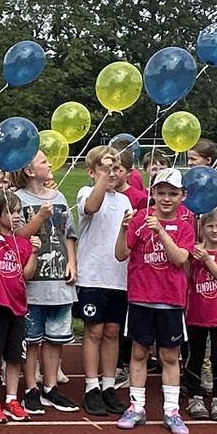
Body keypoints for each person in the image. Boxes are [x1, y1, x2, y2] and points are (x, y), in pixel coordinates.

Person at [113, 168, 194, 434]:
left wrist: (160, 230)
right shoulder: (140, 220)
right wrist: (124, 229)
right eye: (161, 193)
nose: (166, 199)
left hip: (170, 300)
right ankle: (137, 407)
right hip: (141, 297)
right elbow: (121, 254)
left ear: (182, 196)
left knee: (169, 355)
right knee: (138, 353)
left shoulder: (184, 226)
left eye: (172, 193)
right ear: (153, 194)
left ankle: (171, 410)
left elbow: (180, 258)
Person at [0, 185, 54, 424]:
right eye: (11, 211)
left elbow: (26, 274)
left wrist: (34, 254)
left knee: (14, 357)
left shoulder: (22, 242)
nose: (17, 215)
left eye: (19, 211)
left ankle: (11, 398)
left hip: (17, 307)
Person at [11, 153, 79, 413]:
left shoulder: (59, 198)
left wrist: (72, 261)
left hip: (59, 283)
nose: (49, 165)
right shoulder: (18, 199)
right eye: (43, 162)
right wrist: (38, 217)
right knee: (32, 338)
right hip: (32, 284)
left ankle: (51, 387)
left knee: (55, 339)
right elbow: (16, 236)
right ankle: (30, 388)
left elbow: (68, 234)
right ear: (29, 171)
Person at [74, 146, 131, 417]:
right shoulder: (86, 192)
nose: (111, 173)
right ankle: (91, 386)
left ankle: (109, 385)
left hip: (117, 277)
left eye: (115, 168)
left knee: (112, 332)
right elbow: (92, 207)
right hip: (93, 275)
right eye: (105, 168)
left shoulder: (124, 201)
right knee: (94, 331)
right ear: (92, 171)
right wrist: (102, 177)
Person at [184, 207, 217, 421]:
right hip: (196, 314)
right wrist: (192, 258)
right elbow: (187, 276)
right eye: (210, 226)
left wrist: (207, 260)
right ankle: (194, 395)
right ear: (202, 228)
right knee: (194, 356)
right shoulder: (195, 251)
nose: (214, 230)